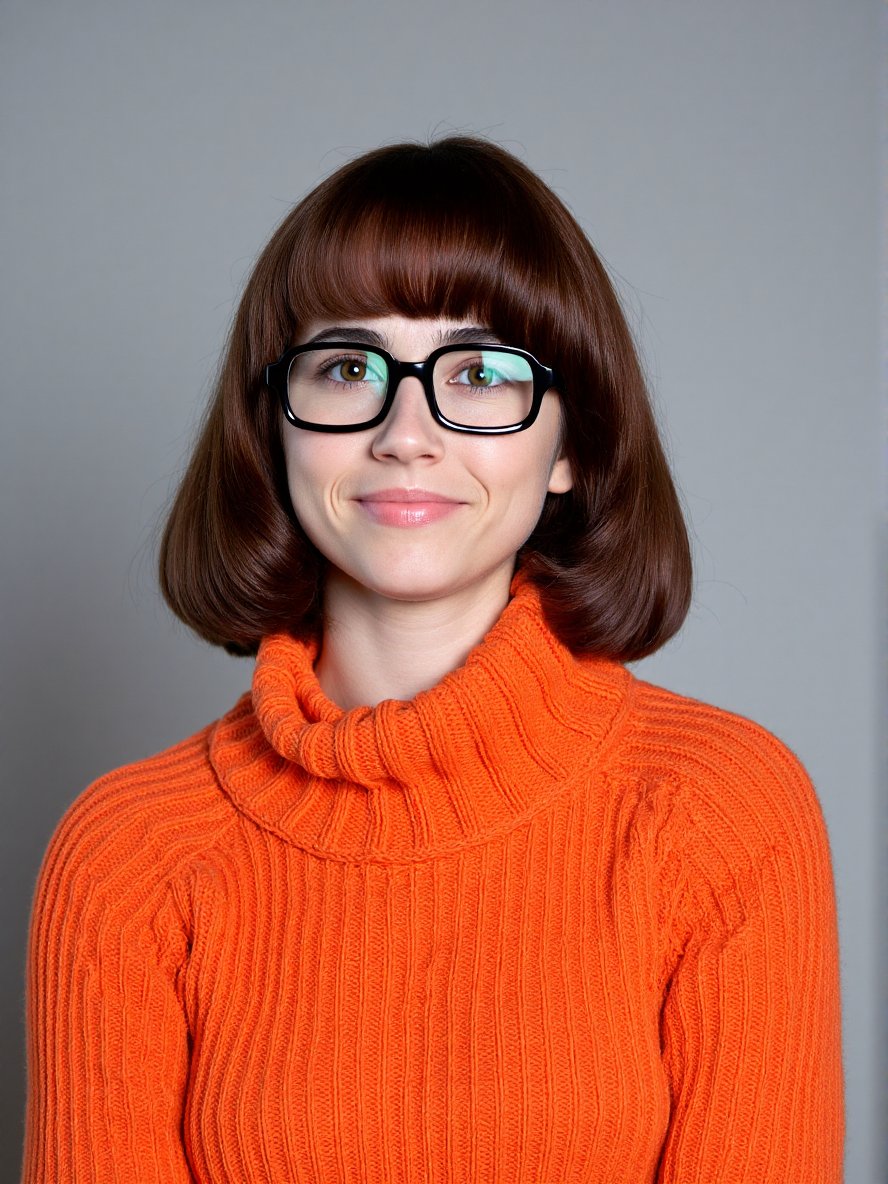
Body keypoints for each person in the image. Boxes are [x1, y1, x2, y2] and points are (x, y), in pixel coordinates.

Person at [21, 135, 844, 1183]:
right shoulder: (128, 858)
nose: (407, 432)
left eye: (484, 370)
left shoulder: (719, 813)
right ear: (273, 425)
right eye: (349, 365)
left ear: (573, 444)